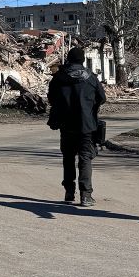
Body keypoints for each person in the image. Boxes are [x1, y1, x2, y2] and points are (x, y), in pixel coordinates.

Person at [47, 47, 106, 207]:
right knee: (85, 158)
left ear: (69, 59)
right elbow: (102, 97)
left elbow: (51, 99)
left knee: (68, 158)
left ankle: (69, 192)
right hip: (86, 125)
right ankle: (86, 195)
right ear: (82, 60)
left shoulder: (59, 77)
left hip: (66, 124)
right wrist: (90, 107)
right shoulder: (90, 77)